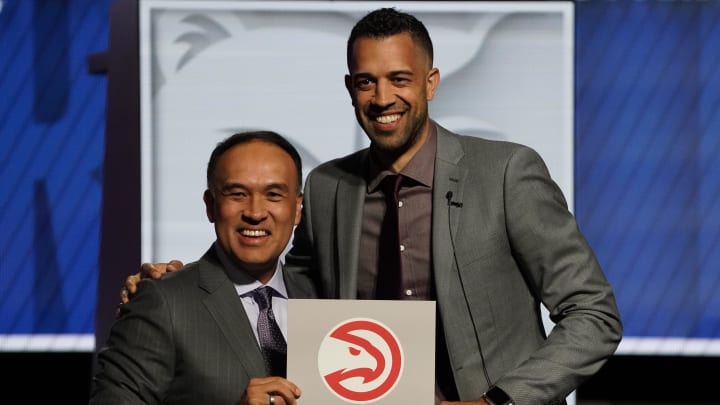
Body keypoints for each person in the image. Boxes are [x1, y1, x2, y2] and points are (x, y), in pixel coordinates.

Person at [124, 7, 623, 405]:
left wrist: (501, 401)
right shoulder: (326, 187)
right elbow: (286, 289)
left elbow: (593, 314)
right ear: (350, 88)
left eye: (400, 79)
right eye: (366, 81)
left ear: (430, 82)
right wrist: (183, 286)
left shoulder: (506, 172)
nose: (383, 97)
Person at [92, 131, 316, 405]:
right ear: (211, 206)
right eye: (237, 194)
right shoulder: (162, 301)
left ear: (297, 209)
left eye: (273, 195)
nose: (255, 213)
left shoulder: (321, 298)